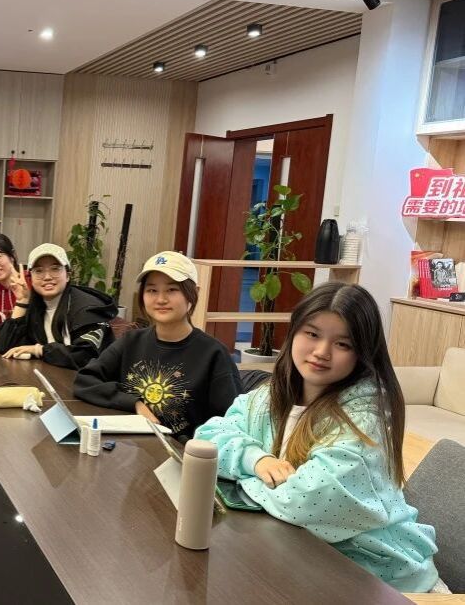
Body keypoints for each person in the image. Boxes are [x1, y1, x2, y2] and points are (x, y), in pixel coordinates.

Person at [194, 282, 444, 594]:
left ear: (362, 353)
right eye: (312, 334)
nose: (322, 352)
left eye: (343, 344)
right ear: (294, 332)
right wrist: (257, 460)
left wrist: (241, 480)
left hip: (381, 579)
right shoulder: (270, 395)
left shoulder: (364, 417)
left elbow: (305, 499)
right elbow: (208, 439)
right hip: (299, 556)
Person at [74, 251, 241, 439]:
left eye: (172, 290)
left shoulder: (214, 354)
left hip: (181, 453)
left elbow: (232, 424)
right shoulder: (131, 342)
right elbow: (85, 380)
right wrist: (134, 403)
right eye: (152, 290)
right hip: (130, 447)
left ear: (194, 293)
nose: (161, 299)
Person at [0, 243, 117, 369]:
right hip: (53, 375)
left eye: (55, 269)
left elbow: (85, 356)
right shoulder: (37, 305)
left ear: (68, 275)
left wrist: (39, 350)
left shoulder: (88, 308)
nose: (47, 277)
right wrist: (22, 301)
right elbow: (4, 346)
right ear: (31, 278)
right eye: (39, 271)